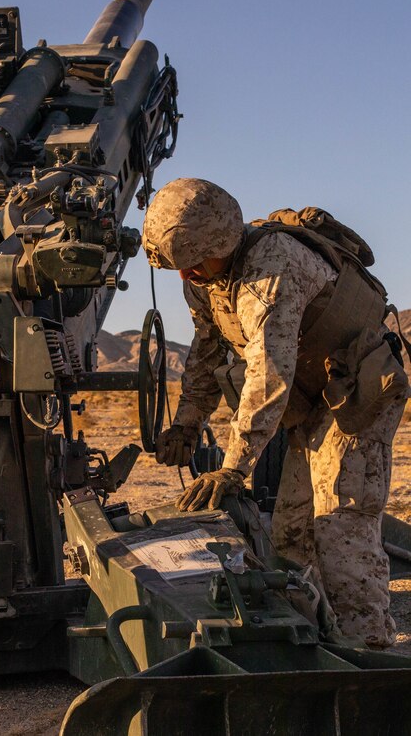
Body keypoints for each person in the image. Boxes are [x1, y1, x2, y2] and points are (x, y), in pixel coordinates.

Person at [141, 177, 409, 648]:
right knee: (292, 532)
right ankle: (317, 643)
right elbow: (206, 354)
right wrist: (188, 421)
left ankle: (370, 651)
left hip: (355, 392)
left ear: (222, 241)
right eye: (179, 267)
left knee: (340, 528)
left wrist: (233, 469)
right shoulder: (207, 281)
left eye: (194, 261)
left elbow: (269, 372)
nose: (186, 275)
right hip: (311, 400)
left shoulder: (272, 264)